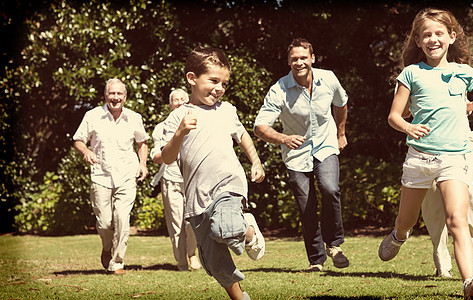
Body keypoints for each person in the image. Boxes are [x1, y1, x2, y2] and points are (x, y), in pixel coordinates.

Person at [379, 8, 473, 299]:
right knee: (407, 220)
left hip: (454, 157)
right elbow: (394, 116)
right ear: (417, 41)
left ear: (451, 37)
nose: (432, 39)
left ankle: (469, 282)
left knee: (457, 219)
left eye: (439, 33)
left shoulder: (463, 73)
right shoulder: (411, 73)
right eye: (426, 35)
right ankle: (400, 235)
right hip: (420, 159)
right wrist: (408, 128)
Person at [161, 47, 266, 300]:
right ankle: (240, 298)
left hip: (228, 186)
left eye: (224, 83)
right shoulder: (177, 117)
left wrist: (256, 162)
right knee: (215, 263)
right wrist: (180, 133)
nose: (219, 88)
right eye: (213, 81)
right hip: (198, 198)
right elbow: (167, 157)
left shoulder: (227, 110)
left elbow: (242, 135)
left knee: (226, 227)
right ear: (191, 79)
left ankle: (248, 229)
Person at [254, 38, 349, 272]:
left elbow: (341, 103)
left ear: (312, 58)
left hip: (326, 145)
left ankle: (334, 245)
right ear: (288, 61)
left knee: (330, 188)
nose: (299, 62)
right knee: (306, 205)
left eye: (303, 58)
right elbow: (260, 127)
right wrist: (284, 139)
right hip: (296, 154)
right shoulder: (280, 89)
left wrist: (341, 133)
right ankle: (316, 260)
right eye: (294, 59)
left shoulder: (328, 79)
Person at [73, 78, 149, 275]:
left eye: (119, 94)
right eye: (112, 93)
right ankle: (106, 247)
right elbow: (78, 140)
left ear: (125, 97)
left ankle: (117, 263)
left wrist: (142, 164)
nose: (115, 97)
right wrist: (86, 151)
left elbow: (142, 142)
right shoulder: (93, 115)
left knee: (123, 218)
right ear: (105, 95)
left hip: (126, 174)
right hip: (101, 175)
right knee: (105, 222)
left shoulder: (134, 117)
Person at [421, 96, 473, 278]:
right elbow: (405, 111)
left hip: (462, 142)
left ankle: (470, 254)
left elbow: (460, 106)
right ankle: (442, 263)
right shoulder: (413, 75)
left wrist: (472, 105)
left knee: (467, 196)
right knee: (433, 201)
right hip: (429, 143)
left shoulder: (457, 74)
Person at [150, 88, 201, 271]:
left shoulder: (197, 122)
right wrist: (163, 155)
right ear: (170, 104)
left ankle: (192, 254)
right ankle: (181, 261)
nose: (179, 102)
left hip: (192, 178)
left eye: (182, 99)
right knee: (176, 222)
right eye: (175, 100)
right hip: (171, 178)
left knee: (191, 221)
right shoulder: (161, 127)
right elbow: (156, 154)